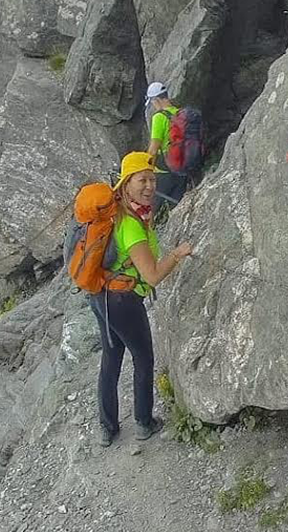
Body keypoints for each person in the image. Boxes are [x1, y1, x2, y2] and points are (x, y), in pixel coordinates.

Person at [90, 151, 194, 447]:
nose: (149, 186)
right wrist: (177, 254)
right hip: (123, 301)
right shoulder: (132, 224)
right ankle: (144, 422)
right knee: (143, 357)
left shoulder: (118, 211)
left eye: (152, 180)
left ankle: (107, 427)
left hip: (99, 295)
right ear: (126, 183)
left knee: (111, 358)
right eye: (142, 180)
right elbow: (152, 276)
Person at [144, 82, 187, 217]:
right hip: (182, 169)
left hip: (164, 172)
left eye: (152, 102)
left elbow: (153, 149)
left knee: (148, 209)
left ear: (156, 100)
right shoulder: (180, 113)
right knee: (177, 211)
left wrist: (145, 170)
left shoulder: (159, 117)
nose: (153, 106)